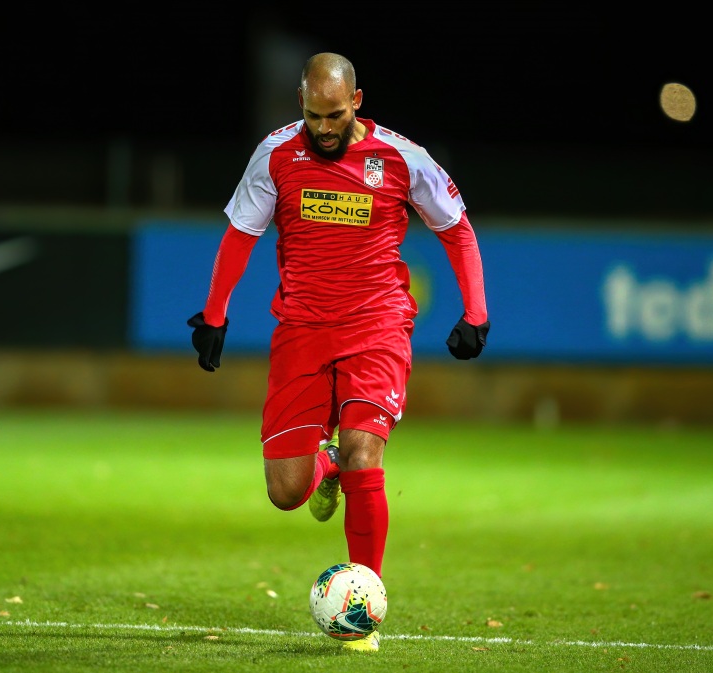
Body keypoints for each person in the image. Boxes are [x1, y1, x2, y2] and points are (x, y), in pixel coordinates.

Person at [187, 52, 490, 652]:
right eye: (312, 114)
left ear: (356, 101)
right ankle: (321, 469)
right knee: (285, 491)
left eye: (333, 115)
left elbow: (456, 226)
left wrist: (475, 313)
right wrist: (215, 314)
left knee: (362, 449)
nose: (323, 129)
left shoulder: (403, 159)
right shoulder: (276, 153)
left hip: (377, 326)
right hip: (301, 330)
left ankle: (362, 616)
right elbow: (241, 233)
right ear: (300, 99)